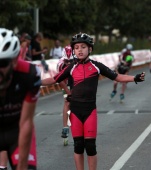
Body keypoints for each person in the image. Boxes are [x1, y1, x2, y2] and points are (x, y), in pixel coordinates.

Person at [42, 33, 145, 170]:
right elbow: (54, 79)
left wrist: (135, 78)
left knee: (90, 147)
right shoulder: (71, 67)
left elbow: (117, 77)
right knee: (78, 147)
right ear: (73, 50)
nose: (80, 50)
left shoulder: (96, 66)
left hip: (90, 110)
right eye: (77, 47)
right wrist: (34, 81)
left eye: (83, 47)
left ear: (90, 49)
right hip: (75, 111)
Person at [0, 28, 41, 170]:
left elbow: (26, 123)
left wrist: (22, 165)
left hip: (16, 129)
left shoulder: (30, 75)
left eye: (2, 64)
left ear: (15, 60)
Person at [56, 45, 74, 144]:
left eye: (71, 61)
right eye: (67, 61)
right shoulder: (60, 65)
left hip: (77, 81)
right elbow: (60, 81)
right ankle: (65, 127)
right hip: (66, 82)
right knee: (67, 102)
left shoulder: (79, 61)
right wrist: (68, 92)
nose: (68, 63)